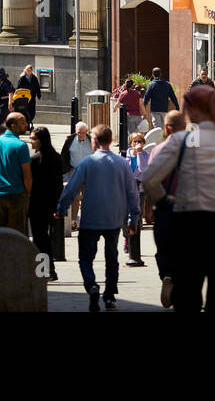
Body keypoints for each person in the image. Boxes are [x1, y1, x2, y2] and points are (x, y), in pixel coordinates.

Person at [142, 85, 215, 313]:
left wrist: (165, 201)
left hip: (189, 226)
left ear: (193, 111)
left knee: (187, 297)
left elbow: (150, 179)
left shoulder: (184, 140)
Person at [56, 125, 140, 311]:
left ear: (94, 140)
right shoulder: (122, 164)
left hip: (90, 218)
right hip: (113, 219)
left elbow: (71, 188)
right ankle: (109, 296)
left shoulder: (87, 163)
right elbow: (132, 194)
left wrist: (61, 209)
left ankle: (92, 286)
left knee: (85, 258)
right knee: (112, 257)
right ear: (110, 140)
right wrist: (133, 219)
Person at [146, 110, 186, 306]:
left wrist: (159, 201)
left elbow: (149, 179)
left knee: (164, 249)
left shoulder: (158, 150)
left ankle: (166, 276)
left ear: (167, 128)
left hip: (166, 208)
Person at [0, 112, 32, 235]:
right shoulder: (21, 146)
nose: (26, 125)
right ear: (13, 125)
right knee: (18, 236)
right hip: (17, 195)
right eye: (22, 122)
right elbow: (27, 175)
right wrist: (27, 193)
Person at [29, 126, 63, 281]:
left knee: (39, 237)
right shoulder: (56, 157)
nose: (31, 142)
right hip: (50, 203)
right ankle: (48, 269)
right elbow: (58, 184)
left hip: (36, 203)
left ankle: (43, 271)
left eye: (34, 139)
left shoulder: (35, 160)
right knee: (44, 236)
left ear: (41, 140)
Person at [59, 121, 94, 232]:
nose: (81, 135)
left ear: (87, 132)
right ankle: (73, 221)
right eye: (79, 132)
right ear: (76, 132)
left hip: (89, 172)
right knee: (74, 197)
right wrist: (67, 170)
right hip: (74, 171)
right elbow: (63, 155)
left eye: (83, 132)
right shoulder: (69, 141)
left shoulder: (92, 140)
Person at [124, 131, 150, 266]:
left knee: (137, 217)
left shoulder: (146, 155)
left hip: (140, 191)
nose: (137, 144)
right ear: (131, 143)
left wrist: (139, 154)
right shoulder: (125, 155)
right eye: (135, 141)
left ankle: (133, 246)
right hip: (127, 191)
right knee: (126, 217)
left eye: (140, 141)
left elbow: (143, 169)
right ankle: (127, 239)